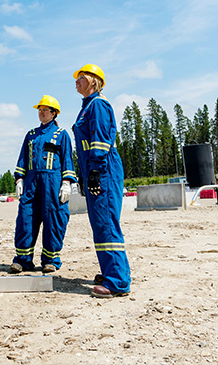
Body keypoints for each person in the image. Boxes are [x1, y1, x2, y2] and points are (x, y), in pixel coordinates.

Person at [72, 64, 131, 298]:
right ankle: (111, 271)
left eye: (81, 77)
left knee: (106, 223)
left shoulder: (98, 104)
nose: (76, 81)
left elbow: (101, 140)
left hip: (104, 168)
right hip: (94, 168)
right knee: (100, 224)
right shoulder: (87, 106)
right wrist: (83, 173)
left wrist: (96, 169)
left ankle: (117, 281)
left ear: (94, 81)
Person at [10, 95, 77, 274]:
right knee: (25, 218)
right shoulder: (31, 135)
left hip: (52, 184)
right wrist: (20, 179)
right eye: (39, 110)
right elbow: (23, 158)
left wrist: (66, 182)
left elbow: (67, 160)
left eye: (45, 110)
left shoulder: (61, 134)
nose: (41, 112)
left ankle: (50, 260)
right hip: (32, 183)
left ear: (54, 113)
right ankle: (22, 260)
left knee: (53, 219)